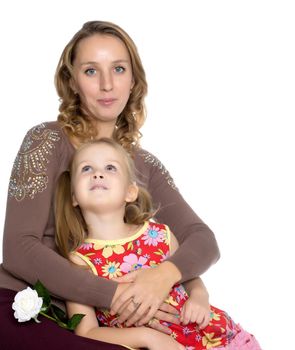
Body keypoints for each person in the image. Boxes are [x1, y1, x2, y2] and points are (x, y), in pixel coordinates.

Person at [0, 21, 220, 349]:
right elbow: (19, 248)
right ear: (71, 81)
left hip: (110, 326)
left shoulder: (144, 166)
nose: (107, 84)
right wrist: (114, 294)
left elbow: (203, 241)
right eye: (91, 71)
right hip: (28, 309)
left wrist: (163, 275)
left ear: (134, 80)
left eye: (118, 69)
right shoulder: (46, 140)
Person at [55, 138, 260, 349]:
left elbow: (190, 278)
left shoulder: (159, 235)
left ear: (130, 192)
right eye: (86, 168)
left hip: (215, 339)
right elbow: (87, 331)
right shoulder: (78, 261)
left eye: (110, 168)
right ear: (73, 196)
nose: (97, 174)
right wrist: (147, 337)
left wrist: (200, 296)